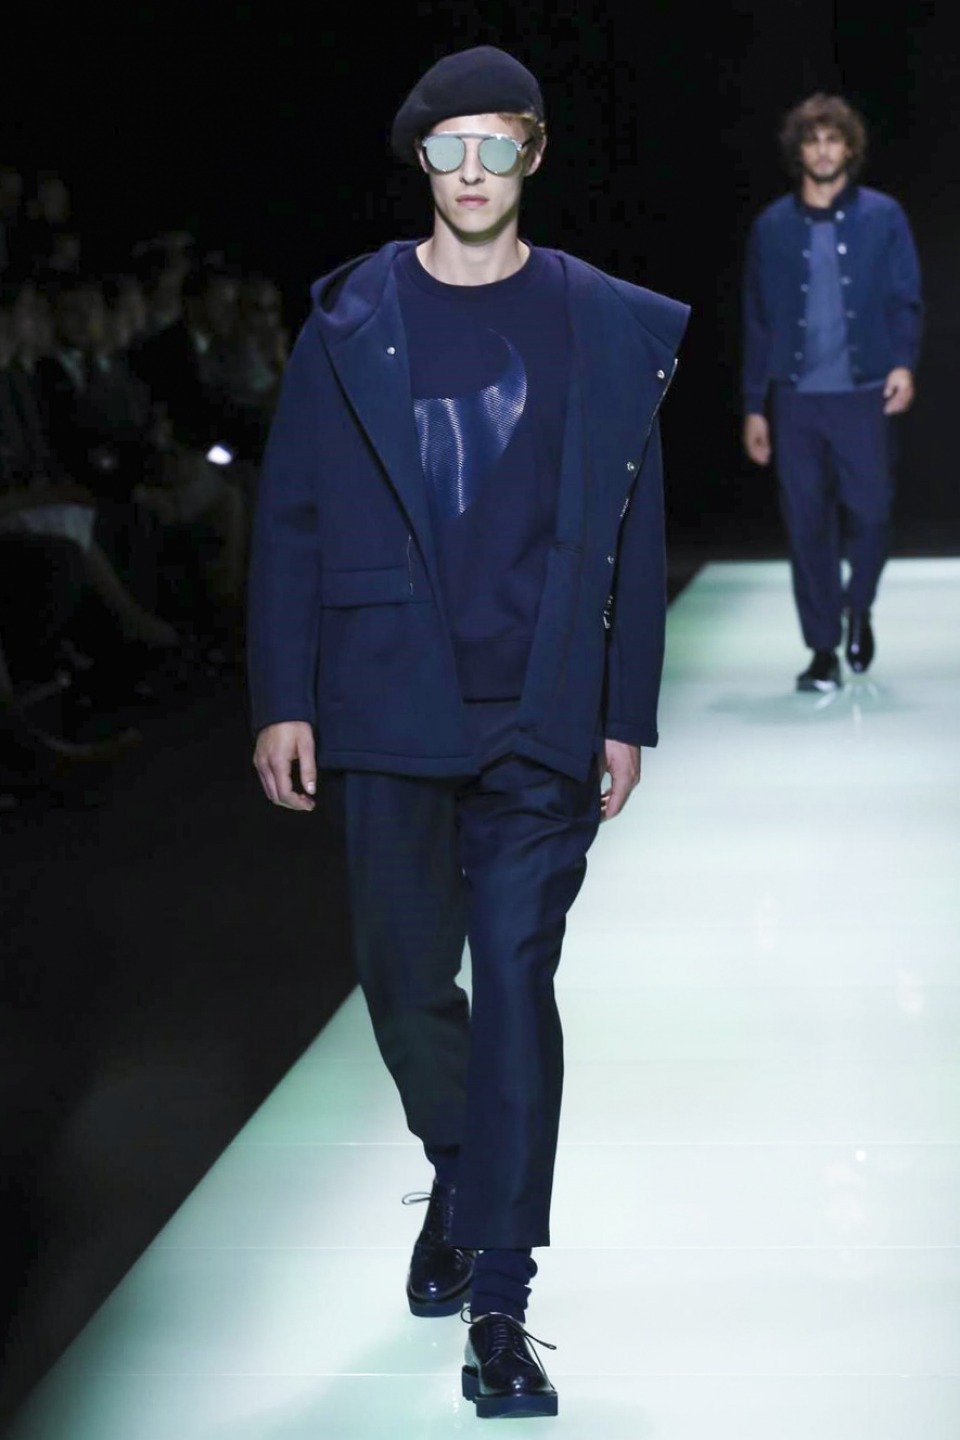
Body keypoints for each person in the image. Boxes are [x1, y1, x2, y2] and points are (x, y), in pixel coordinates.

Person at [247, 46, 688, 1421]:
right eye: (452, 148)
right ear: (422, 162)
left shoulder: (599, 320)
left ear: (535, 154)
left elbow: (635, 521)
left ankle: (500, 1295)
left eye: (500, 145)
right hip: (388, 698)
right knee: (399, 981)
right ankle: (462, 1164)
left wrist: (625, 710)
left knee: (513, 977)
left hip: (541, 709)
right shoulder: (352, 321)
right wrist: (283, 693)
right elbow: (292, 515)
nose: (475, 171)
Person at [741, 93, 922, 692]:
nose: (823, 151)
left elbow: (904, 299)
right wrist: (754, 406)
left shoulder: (884, 217)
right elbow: (757, 322)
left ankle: (858, 607)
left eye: (833, 139)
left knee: (872, 514)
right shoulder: (771, 227)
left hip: (863, 393)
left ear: (849, 148)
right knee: (807, 526)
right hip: (795, 401)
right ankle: (822, 649)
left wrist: (903, 364)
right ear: (799, 150)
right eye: (812, 140)